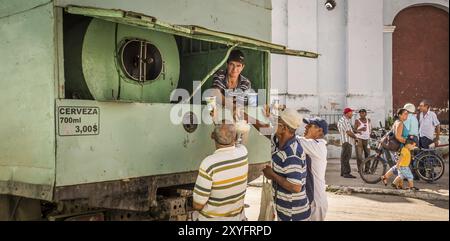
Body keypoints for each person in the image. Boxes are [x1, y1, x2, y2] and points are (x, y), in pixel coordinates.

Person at [192, 121, 249, 221]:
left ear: (212, 136)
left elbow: (197, 205)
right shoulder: (243, 153)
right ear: (235, 138)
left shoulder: (209, 164)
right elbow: (241, 141)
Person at [262, 108, 310, 221]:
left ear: (284, 128)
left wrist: (272, 174)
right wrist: (245, 117)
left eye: (277, 122)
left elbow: (295, 187)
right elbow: (263, 129)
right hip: (285, 211)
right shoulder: (280, 141)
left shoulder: (291, 154)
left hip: (294, 215)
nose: (274, 125)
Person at [298, 117, 328, 221]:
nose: (306, 127)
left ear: (319, 130)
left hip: (315, 201)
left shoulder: (317, 146)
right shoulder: (315, 145)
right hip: (313, 199)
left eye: (310, 125)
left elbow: (288, 138)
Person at [380, 108, 410, 186]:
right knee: (399, 165)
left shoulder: (397, 122)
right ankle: (385, 177)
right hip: (399, 147)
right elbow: (398, 136)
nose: (407, 115)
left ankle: (399, 185)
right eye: (405, 114)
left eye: (407, 114)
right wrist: (406, 141)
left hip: (399, 146)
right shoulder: (400, 123)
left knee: (400, 166)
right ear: (400, 115)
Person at [337, 108, 358, 178]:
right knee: (346, 158)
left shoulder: (345, 120)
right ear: (347, 113)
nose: (352, 114)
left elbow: (350, 130)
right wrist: (355, 137)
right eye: (351, 112)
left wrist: (356, 132)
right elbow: (348, 132)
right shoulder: (344, 121)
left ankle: (343, 172)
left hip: (346, 141)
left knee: (344, 158)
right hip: (347, 141)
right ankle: (346, 173)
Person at [354, 109, 371, 173]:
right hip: (359, 139)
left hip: (367, 139)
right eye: (360, 113)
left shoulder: (368, 120)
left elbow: (369, 129)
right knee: (359, 156)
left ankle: (367, 169)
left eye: (363, 113)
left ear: (366, 114)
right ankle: (360, 169)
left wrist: (370, 134)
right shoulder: (357, 121)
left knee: (368, 155)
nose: (362, 114)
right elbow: (354, 130)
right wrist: (360, 129)